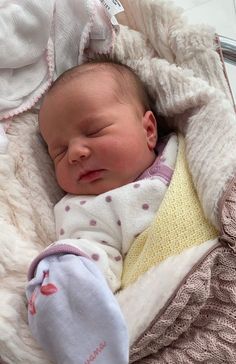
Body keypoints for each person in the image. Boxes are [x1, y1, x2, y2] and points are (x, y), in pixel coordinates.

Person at [26, 59, 177, 364]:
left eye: (93, 131)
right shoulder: (85, 209)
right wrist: (67, 275)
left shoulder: (184, 150)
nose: (76, 153)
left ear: (149, 129)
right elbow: (90, 263)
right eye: (59, 151)